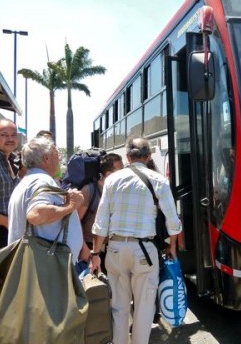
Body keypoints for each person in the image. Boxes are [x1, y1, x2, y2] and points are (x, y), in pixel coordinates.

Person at [90, 137, 182, 344]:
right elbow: (173, 221)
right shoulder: (158, 180)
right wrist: (173, 247)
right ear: (148, 157)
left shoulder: (112, 180)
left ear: (127, 157)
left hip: (115, 250)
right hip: (144, 251)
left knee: (119, 307)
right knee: (144, 308)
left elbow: (101, 222)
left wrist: (95, 254)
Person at [7, 136, 84, 263]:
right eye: (57, 154)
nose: (60, 159)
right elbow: (36, 214)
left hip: (34, 263)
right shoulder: (42, 181)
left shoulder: (28, 181)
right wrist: (71, 205)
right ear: (46, 158)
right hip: (44, 266)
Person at [76, 153, 124, 272]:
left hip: (110, 249)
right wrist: (84, 248)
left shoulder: (118, 192)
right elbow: (75, 221)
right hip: (89, 249)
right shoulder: (89, 190)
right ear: (108, 174)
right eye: (121, 171)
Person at [0, 119, 20, 253]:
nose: (10, 139)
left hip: (9, 234)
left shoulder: (14, 161)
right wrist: (7, 221)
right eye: (4, 135)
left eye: (13, 135)